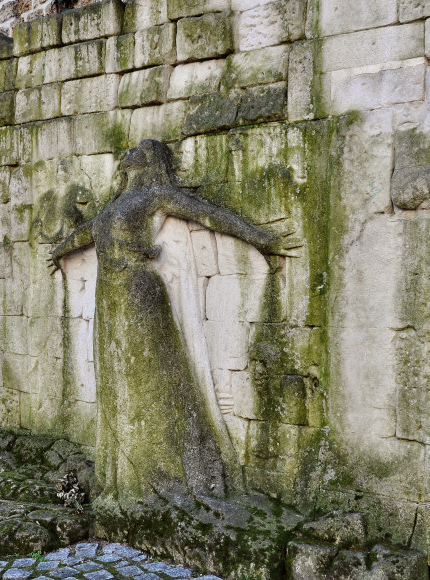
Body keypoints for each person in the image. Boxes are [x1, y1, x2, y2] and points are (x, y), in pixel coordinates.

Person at [51, 140, 301, 505]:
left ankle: (162, 467)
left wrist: (262, 238)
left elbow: (208, 215)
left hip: (139, 292)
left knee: (153, 377)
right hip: (110, 298)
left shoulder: (156, 195)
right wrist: (57, 251)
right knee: (120, 379)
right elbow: (85, 234)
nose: (128, 153)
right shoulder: (113, 205)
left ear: (151, 159)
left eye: (139, 149)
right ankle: (129, 467)